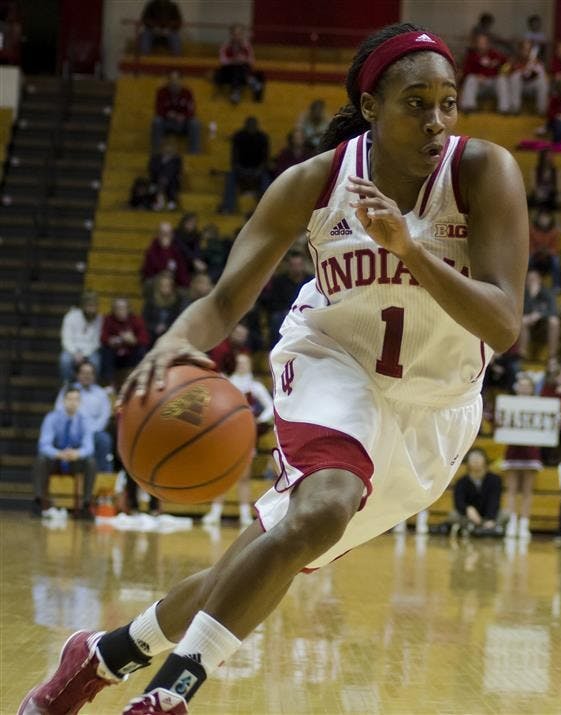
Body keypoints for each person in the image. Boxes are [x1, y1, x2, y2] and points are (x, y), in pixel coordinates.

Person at [18, 21, 527, 715]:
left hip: (436, 411)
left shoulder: (482, 171)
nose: (436, 120)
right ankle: (170, 692)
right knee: (321, 508)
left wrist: (409, 250)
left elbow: (502, 322)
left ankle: (99, 656)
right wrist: (173, 341)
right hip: (331, 362)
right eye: (416, 102)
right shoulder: (314, 183)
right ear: (372, 106)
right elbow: (226, 299)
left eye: (447, 101)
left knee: (258, 560)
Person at [202, 353, 274, 528]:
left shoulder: (254, 386)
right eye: (240, 363)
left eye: (245, 363)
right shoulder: (227, 383)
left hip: (246, 434)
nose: (242, 365)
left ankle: (244, 514)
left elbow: (271, 406)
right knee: (223, 475)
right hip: (226, 434)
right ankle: (215, 512)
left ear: (250, 365)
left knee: (244, 476)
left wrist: (258, 420)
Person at [32, 386, 96, 519]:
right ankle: (38, 501)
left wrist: (77, 453)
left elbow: (89, 446)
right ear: (63, 400)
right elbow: (43, 445)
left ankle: (86, 505)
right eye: (69, 399)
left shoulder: (85, 420)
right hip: (56, 460)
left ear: (80, 402)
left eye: (76, 399)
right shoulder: (51, 418)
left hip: (74, 461)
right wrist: (59, 454)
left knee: (91, 462)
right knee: (41, 459)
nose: (73, 402)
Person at [501, 373, 542, 540]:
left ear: (532, 389)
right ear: (517, 387)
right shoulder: (508, 405)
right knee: (511, 490)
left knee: (527, 490)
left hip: (531, 451)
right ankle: (511, 523)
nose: (525, 388)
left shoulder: (540, 406)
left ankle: (524, 524)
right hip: (513, 450)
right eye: (522, 385)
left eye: (528, 386)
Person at [54, 361, 113, 473]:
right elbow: (59, 411)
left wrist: (90, 431)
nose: (86, 376)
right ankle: (62, 476)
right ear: (77, 375)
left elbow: (105, 416)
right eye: (83, 372)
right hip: (70, 430)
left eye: (90, 373)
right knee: (58, 437)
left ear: (94, 376)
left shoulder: (100, 393)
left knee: (104, 439)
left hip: (94, 432)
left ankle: (101, 476)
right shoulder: (68, 390)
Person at [259, 249, 312, 348]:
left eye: (299, 265)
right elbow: (273, 303)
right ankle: (277, 349)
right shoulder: (279, 281)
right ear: (289, 266)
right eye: (293, 265)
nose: (296, 268)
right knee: (276, 319)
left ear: (303, 265)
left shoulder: (310, 281)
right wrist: (288, 311)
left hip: (306, 314)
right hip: (284, 314)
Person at [447, 447, 505, 536]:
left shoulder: (495, 480)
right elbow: (458, 502)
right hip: (469, 517)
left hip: (489, 515)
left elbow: (495, 501)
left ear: (485, 461)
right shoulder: (461, 482)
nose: (476, 461)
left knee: (506, 514)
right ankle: (483, 529)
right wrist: (468, 509)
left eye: (478, 458)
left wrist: (490, 518)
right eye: (473, 459)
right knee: (453, 515)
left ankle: (485, 527)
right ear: (468, 463)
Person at [219, 117, 271, 214]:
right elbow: (234, 159)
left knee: (266, 180)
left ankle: (267, 210)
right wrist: (241, 171)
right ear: (245, 126)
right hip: (241, 170)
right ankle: (228, 207)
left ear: (257, 126)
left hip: (258, 171)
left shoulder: (263, 138)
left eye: (253, 126)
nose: (251, 128)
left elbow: (265, 160)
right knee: (230, 176)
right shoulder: (238, 136)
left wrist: (257, 172)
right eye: (249, 125)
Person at [101, 298, 150, 385]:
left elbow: (145, 340)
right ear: (113, 310)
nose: (120, 311)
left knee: (141, 350)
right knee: (106, 350)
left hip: (130, 355)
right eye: (117, 308)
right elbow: (103, 338)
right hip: (115, 354)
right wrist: (110, 340)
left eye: (123, 308)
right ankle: (108, 384)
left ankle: (139, 381)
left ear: (128, 309)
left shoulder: (136, 320)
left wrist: (134, 340)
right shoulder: (108, 319)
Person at [151, 70, 199, 154]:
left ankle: (194, 154)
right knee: (156, 121)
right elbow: (158, 109)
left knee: (194, 123)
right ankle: (156, 153)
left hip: (183, 124)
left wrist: (183, 116)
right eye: (171, 79)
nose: (174, 82)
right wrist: (168, 114)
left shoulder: (187, 93)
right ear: (168, 81)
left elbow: (191, 110)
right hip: (167, 123)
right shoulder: (161, 92)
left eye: (176, 79)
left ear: (181, 81)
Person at [460, 32, 510, 114]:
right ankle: (469, 107)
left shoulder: (495, 54)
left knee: (502, 79)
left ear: (488, 44)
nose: (481, 45)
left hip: (493, 84)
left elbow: (507, 64)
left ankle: (504, 109)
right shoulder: (471, 56)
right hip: (479, 86)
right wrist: (477, 76)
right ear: (476, 44)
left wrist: (502, 72)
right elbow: (466, 72)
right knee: (471, 78)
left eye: (484, 43)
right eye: (479, 43)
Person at [214, 24, 264, 104]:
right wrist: (233, 60)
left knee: (240, 66)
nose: (237, 36)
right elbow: (222, 61)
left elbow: (252, 61)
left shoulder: (246, 45)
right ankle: (250, 81)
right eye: (235, 34)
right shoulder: (225, 45)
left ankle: (236, 92)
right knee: (236, 67)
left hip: (243, 69)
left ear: (242, 35)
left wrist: (244, 60)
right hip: (228, 71)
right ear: (231, 35)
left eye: (239, 34)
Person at [59, 291, 102, 383]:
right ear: (83, 306)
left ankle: (92, 385)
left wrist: (84, 353)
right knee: (64, 360)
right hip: (72, 350)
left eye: (94, 306)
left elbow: (97, 342)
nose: (92, 309)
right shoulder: (70, 316)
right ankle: (68, 384)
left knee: (96, 362)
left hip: (90, 351)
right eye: (89, 306)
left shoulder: (100, 319)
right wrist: (75, 352)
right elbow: (66, 338)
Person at [519, 268, 559, 360]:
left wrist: (540, 314)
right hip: (528, 326)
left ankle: (552, 356)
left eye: (534, 279)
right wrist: (532, 296)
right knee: (522, 320)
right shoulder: (522, 293)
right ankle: (522, 354)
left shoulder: (548, 293)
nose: (532, 282)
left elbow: (553, 311)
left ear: (540, 280)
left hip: (544, 327)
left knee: (554, 322)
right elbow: (519, 312)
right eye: (529, 280)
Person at [141, 221, 190, 289]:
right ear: (158, 234)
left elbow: (182, 271)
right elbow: (152, 270)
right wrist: (165, 250)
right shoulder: (152, 250)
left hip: (173, 282)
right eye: (163, 233)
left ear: (172, 235)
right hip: (156, 282)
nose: (166, 235)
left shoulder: (176, 249)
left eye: (168, 233)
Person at [506, 39, 549, 115]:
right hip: (518, 87)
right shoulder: (514, 60)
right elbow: (507, 74)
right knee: (515, 76)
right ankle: (515, 108)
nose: (526, 52)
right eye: (524, 49)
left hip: (531, 88)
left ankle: (542, 110)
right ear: (520, 50)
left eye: (528, 50)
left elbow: (542, 75)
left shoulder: (536, 61)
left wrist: (534, 66)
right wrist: (522, 70)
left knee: (542, 81)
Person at [142, 271, 183, 346]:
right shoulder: (151, 302)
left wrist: (166, 327)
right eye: (163, 286)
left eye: (168, 286)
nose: (166, 289)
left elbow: (179, 319)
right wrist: (154, 327)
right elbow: (144, 320)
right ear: (158, 287)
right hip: (152, 333)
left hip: (171, 332)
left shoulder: (177, 301)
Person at [528, 207, 561, 289]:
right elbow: (529, 247)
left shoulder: (554, 231)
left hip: (549, 257)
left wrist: (548, 251)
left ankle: (557, 286)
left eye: (546, 217)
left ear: (550, 219)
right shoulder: (531, 230)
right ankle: (525, 284)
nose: (544, 220)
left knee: (556, 261)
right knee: (526, 259)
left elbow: (556, 249)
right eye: (542, 217)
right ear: (538, 219)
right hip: (535, 256)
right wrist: (537, 250)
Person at [147, 137, 182, 211]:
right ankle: (160, 201)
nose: (168, 149)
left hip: (171, 181)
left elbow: (176, 171)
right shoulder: (155, 158)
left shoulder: (177, 159)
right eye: (166, 146)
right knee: (158, 182)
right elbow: (152, 170)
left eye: (170, 147)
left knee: (168, 177)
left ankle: (166, 201)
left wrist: (165, 178)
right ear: (162, 147)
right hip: (156, 180)